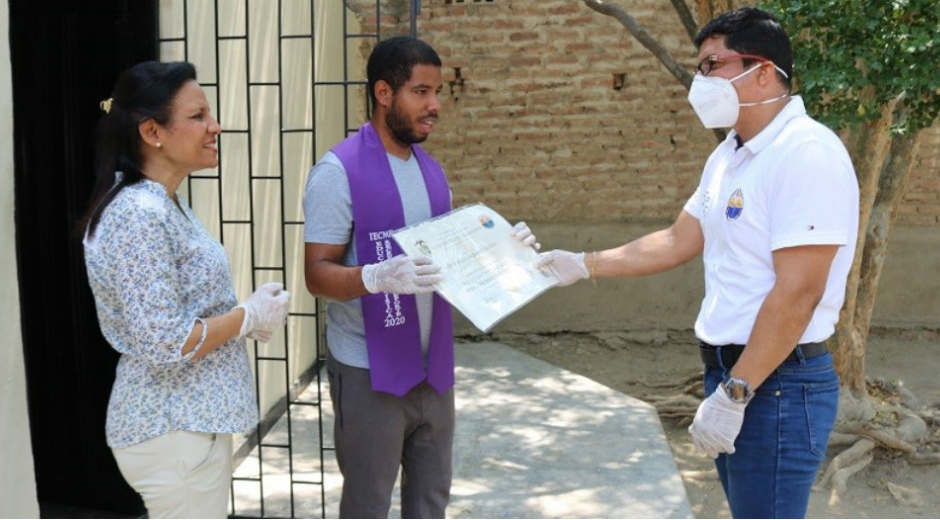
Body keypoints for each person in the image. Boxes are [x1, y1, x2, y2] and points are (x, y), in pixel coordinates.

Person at [538, 8, 859, 519]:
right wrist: (582, 262)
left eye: (712, 64)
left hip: (775, 384)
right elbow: (677, 238)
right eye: (699, 66)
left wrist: (736, 393)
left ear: (763, 69)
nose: (700, 80)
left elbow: (799, 292)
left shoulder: (806, 154)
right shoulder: (730, 154)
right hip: (737, 375)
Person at [303, 36, 537, 518]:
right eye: (421, 92)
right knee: (368, 506)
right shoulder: (337, 171)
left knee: (431, 502)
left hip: (433, 370)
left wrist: (508, 254)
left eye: (438, 93)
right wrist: (374, 277)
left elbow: (449, 265)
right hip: (369, 369)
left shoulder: (433, 173)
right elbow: (316, 275)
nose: (434, 106)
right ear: (384, 93)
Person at [80, 61, 290, 519]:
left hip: (186, 426)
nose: (215, 127)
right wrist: (247, 317)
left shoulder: (161, 201)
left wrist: (245, 315)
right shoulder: (139, 212)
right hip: (174, 428)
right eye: (198, 117)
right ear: (152, 131)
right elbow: (164, 339)